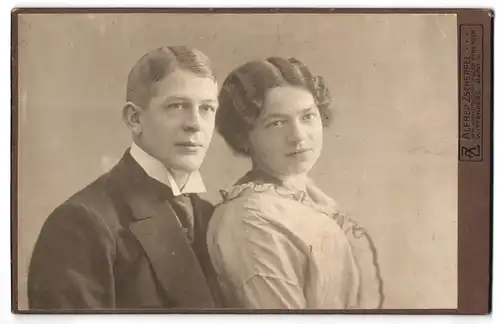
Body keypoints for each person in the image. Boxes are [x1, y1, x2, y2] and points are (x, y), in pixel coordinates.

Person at [27, 46, 222, 310]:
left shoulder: (213, 218)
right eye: (177, 106)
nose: (195, 124)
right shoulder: (82, 223)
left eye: (207, 108)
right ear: (134, 119)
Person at [207, 57, 384, 309]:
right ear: (244, 135)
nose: (298, 136)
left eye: (307, 117)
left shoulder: (313, 200)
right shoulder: (250, 218)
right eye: (277, 123)